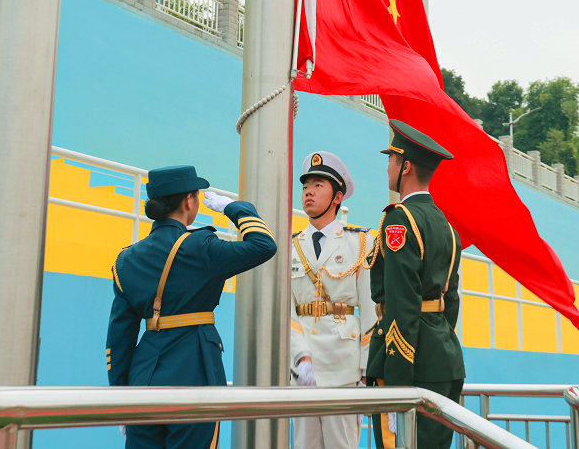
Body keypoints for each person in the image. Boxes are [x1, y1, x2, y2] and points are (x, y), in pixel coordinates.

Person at [106, 165, 277, 449]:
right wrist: (233, 207)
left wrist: (120, 398)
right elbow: (263, 244)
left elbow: (119, 337)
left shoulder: (126, 260)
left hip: (142, 381)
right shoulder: (200, 246)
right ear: (189, 200)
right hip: (194, 373)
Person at [365, 120, 465, 449]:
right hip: (443, 360)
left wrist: (397, 383)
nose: (388, 167)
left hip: (410, 368)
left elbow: (402, 302)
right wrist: (436, 342)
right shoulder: (447, 225)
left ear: (405, 167)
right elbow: (450, 301)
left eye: (392, 160)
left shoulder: (400, 219)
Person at [290, 151, 377, 449]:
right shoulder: (292, 246)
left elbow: (370, 310)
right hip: (304, 371)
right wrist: (300, 357)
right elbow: (287, 312)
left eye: (318, 185)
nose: (309, 192)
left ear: (337, 197)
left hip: (344, 368)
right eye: (305, 186)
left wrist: (366, 372)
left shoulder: (360, 242)